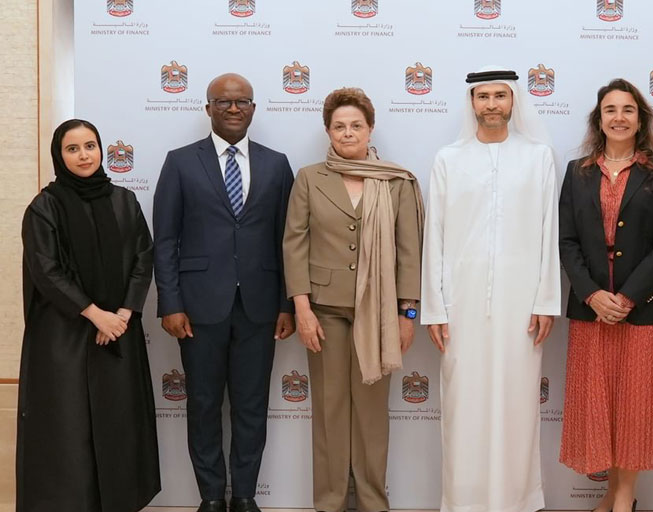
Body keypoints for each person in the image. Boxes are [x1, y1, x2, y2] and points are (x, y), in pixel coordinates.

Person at [420, 66, 560, 512]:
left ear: (514, 100)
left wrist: (545, 301)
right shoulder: (448, 159)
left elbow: (549, 233)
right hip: (460, 304)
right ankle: (463, 502)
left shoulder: (538, 157)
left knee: (517, 405)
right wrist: (435, 307)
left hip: (521, 306)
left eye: (501, 95)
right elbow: (434, 236)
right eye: (484, 96)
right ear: (472, 102)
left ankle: (517, 501)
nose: (492, 104)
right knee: (463, 407)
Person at [153, 73, 295, 512]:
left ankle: (245, 495)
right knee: (203, 404)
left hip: (260, 307)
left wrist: (287, 303)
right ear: (208, 108)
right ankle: (212, 496)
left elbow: (289, 241)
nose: (234, 109)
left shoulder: (277, 164)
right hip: (197, 308)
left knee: (252, 406)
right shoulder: (180, 162)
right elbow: (165, 240)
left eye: (242, 102)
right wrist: (170, 302)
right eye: (224, 102)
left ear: (253, 109)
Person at [283, 87, 423, 512]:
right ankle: (328, 502)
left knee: (371, 414)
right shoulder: (310, 177)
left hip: (379, 314)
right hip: (323, 311)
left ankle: (372, 501)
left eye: (356, 125)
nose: (348, 132)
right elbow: (294, 244)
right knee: (329, 411)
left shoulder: (396, 181)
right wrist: (302, 308)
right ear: (328, 131)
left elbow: (409, 251)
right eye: (339, 126)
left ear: (370, 128)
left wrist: (407, 313)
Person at [16, 119, 160, 512]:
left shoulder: (124, 201)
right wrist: (97, 315)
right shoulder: (44, 207)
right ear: (59, 155)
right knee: (69, 428)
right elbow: (46, 271)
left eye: (90, 146)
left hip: (119, 332)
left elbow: (143, 257)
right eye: (73, 148)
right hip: (66, 336)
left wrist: (123, 314)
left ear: (101, 149)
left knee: (120, 424)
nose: (84, 155)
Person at [558, 78, 653, 512]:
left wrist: (626, 298)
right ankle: (611, 493)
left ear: (640, 119)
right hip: (591, 311)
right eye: (610, 110)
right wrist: (592, 295)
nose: (619, 117)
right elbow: (567, 241)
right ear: (599, 119)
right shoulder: (577, 172)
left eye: (628, 109)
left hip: (643, 310)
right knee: (601, 406)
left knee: (635, 408)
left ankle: (625, 498)